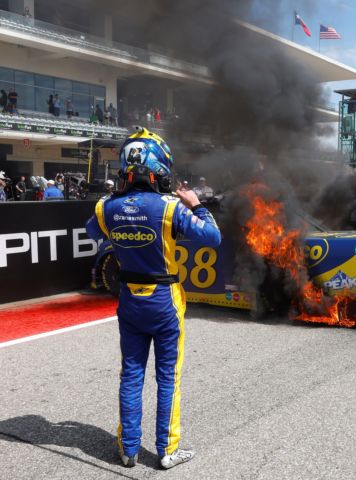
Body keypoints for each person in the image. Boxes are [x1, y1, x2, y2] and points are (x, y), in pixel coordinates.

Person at [86, 127, 221, 470]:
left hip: (129, 300)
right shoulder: (170, 207)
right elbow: (213, 237)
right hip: (164, 301)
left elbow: (92, 231)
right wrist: (198, 204)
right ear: (158, 165)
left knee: (131, 375)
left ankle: (127, 449)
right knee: (168, 378)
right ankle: (167, 450)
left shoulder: (106, 207)